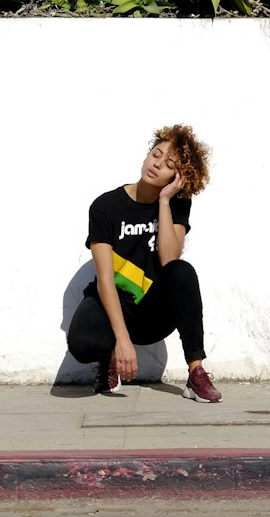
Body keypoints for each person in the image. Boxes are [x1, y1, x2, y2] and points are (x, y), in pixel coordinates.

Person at [66, 124, 222, 402]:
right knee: (83, 343)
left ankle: (196, 373)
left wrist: (164, 201)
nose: (157, 164)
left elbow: (169, 260)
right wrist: (122, 340)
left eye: (168, 164)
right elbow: (104, 279)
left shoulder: (177, 204)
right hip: (111, 302)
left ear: (178, 176)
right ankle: (108, 358)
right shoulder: (105, 207)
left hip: (151, 313)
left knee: (183, 272)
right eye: (156, 154)